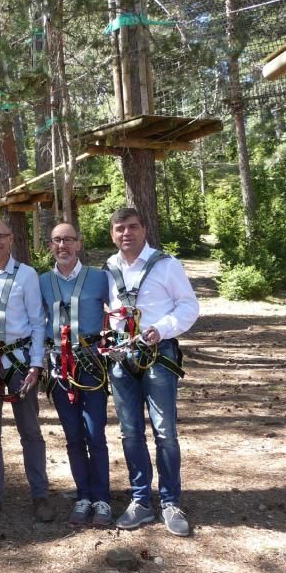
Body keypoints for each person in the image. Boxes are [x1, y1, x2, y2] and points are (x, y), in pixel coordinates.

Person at [104, 208, 199, 536]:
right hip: (121, 360)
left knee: (165, 432)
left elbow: (188, 305)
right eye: (120, 229)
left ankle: (170, 502)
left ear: (144, 229)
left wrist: (162, 328)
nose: (126, 233)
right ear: (113, 234)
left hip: (159, 355)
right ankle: (141, 500)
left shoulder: (166, 265)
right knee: (129, 433)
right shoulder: (108, 269)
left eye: (132, 227)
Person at [0, 219, 54, 523]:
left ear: (11, 238)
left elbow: (37, 322)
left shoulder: (27, 275)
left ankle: (40, 495)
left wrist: (36, 364)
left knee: (30, 431)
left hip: (19, 363)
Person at [39, 223, 112, 527]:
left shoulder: (99, 278)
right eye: (57, 240)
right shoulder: (42, 281)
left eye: (69, 240)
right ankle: (83, 495)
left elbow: (121, 312)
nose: (63, 246)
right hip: (59, 367)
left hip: (91, 365)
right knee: (72, 435)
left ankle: (102, 498)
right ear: (50, 246)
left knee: (95, 433)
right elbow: (32, 320)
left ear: (80, 244)